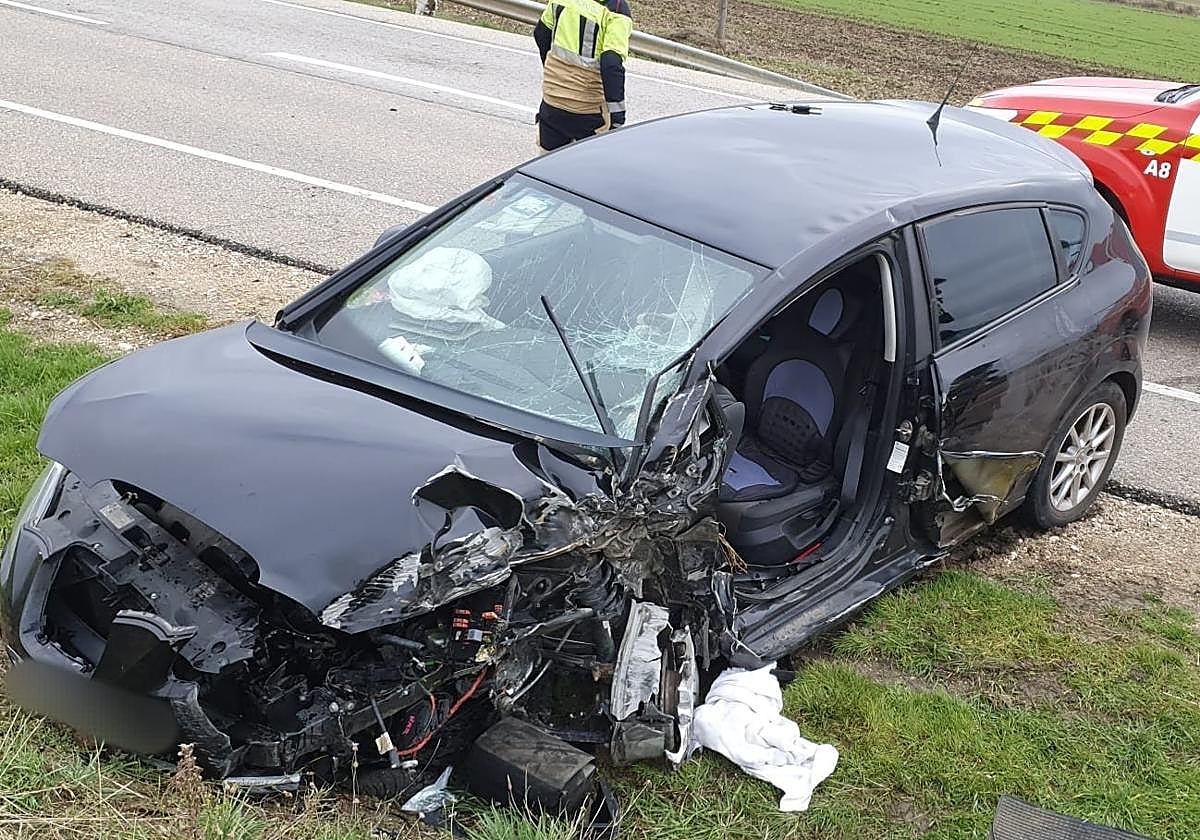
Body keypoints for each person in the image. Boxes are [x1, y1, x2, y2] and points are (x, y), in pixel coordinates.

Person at [533, 0, 632, 153]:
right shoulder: (617, 9)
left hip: (553, 101)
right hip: (587, 110)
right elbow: (611, 62)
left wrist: (555, 75)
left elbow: (541, 33)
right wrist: (617, 116)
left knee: (547, 160)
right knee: (589, 163)